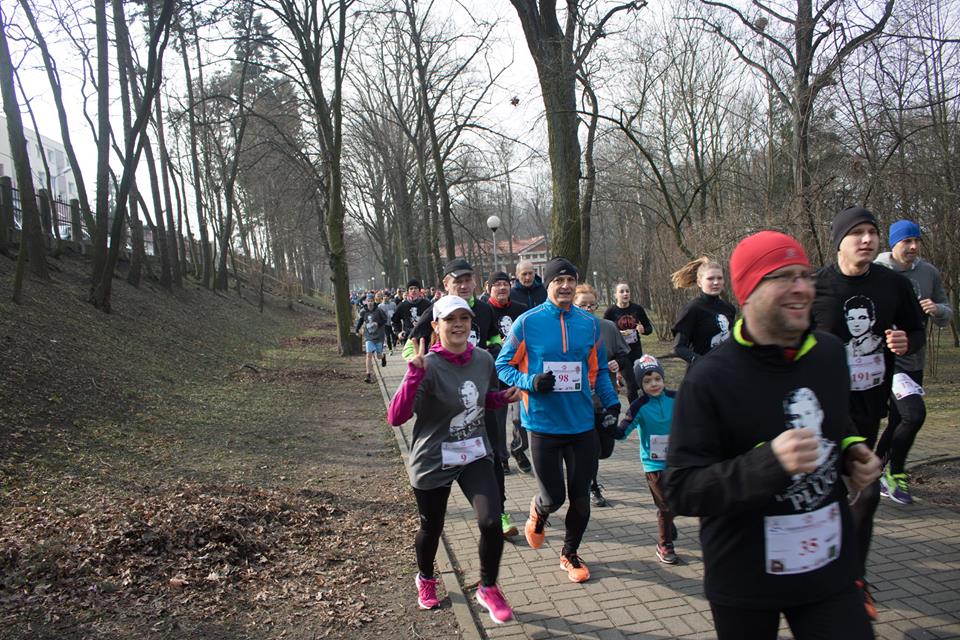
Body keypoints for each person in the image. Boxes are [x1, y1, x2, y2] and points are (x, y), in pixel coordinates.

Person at [664, 230, 881, 640]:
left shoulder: (830, 354)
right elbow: (682, 488)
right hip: (745, 576)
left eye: (806, 276)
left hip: (828, 569)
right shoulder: (709, 378)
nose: (802, 288)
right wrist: (769, 463)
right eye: (784, 277)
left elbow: (838, 422)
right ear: (748, 292)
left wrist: (852, 449)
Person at [811, 206, 925, 618]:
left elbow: (916, 329)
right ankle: (843, 579)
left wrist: (906, 341)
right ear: (838, 241)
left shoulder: (893, 285)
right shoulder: (815, 287)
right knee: (855, 492)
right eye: (857, 233)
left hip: (869, 407)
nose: (867, 239)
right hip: (823, 415)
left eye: (872, 232)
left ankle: (848, 577)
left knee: (858, 495)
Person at [386, 296, 520, 624]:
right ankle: (425, 577)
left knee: (491, 522)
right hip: (433, 458)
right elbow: (396, 417)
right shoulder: (427, 365)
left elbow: (480, 400)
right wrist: (413, 376)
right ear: (436, 325)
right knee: (432, 528)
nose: (458, 325)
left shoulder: (483, 360)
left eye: (464, 318)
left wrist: (500, 397)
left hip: (474, 453)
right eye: (450, 319)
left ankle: (488, 587)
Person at [496, 257, 621, 583]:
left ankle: (570, 553)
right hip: (543, 425)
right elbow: (503, 365)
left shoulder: (589, 324)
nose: (565, 286)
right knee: (554, 497)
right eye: (558, 281)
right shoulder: (527, 322)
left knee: (580, 499)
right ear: (548, 284)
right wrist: (530, 381)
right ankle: (539, 511)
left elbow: (599, 371)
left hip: (581, 424)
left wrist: (612, 404)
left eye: (570, 280)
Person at [405, 259, 516, 538]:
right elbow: (411, 345)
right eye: (458, 281)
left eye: (468, 280)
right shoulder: (435, 311)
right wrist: (419, 369)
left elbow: (493, 339)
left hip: (481, 392)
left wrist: (494, 354)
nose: (464, 286)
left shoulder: (484, 309)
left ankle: (499, 512)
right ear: (446, 284)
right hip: (445, 398)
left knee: (493, 455)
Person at [874, 220, 953, 504]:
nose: (913, 247)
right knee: (914, 415)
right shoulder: (877, 271)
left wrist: (937, 309)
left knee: (899, 420)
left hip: (915, 360)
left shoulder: (928, 272)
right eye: (907, 241)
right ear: (893, 244)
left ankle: (874, 470)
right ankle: (895, 473)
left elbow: (947, 311)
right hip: (888, 361)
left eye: (917, 241)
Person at [610, 355, 678, 563]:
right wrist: (608, 424)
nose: (654, 384)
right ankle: (664, 545)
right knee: (665, 506)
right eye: (647, 381)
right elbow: (622, 433)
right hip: (654, 464)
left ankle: (668, 522)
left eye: (657, 379)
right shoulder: (638, 406)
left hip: (677, 462)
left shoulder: (677, 398)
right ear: (641, 384)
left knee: (677, 502)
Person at [573, 283, 630, 507]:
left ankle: (585, 471)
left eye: (592, 305)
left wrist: (618, 363)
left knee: (605, 450)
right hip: (581, 400)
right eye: (582, 305)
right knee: (591, 447)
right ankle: (591, 485)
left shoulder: (607, 327)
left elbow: (625, 354)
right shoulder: (568, 330)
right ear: (573, 305)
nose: (588, 309)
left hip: (606, 397)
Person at [508, 260, 547, 472]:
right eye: (524, 274)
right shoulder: (512, 295)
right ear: (517, 275)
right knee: (517, 415)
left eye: (530, 273)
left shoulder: (544, 292)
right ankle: (518, 447)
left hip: (542, 354)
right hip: (518, 355)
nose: (527, 277)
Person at [487, 271, 527, 475]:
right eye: (497, 284)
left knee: (520, 418)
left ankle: (518, 449)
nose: (502, 288)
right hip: (494, 372)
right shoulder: (484, 311)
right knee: (498, 419)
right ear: (489, 288)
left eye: (505, 284)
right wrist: (496, 346)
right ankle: (501, 457)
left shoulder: (521, 310)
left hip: (519, 371)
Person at [670, 256, 737, 364]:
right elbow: (678, 348)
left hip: (726, 369)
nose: (716, 282)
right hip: (701, 371)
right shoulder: (693, 308)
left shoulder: (729, 308)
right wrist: (704, 363)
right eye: (710, 279)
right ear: (699, 282)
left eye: (719, 278)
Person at [603, 281, 654, 402]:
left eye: (627, 291)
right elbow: (605, 332)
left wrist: (643, 330)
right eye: (621, 291)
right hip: (620, 353)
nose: (625, 294)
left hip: (635, 351)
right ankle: (634, 410)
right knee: (631, 384)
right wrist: (617, 334)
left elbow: (649, 328)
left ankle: (621, 381)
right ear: (616, 295)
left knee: (639, 381)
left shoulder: (637, 309)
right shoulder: (611, 311)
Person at [355, 293, 388, 383]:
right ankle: (368, 375)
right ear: (366, 302)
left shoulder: (379, 310)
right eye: (368, 301)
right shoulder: (363, 311)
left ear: (374, 301)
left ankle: (383, 357)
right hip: (369, 336)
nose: (370, 303)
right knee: (368, 354)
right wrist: (357, 330)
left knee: (378, 356)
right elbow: (360, 321)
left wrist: (378, 324)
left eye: (371, 301)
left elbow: (385, 319)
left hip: (379, 336)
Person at [393, 279, 432, 347]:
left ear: (419, 290)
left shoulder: (427, 304)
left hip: (424, 338)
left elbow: (433, 318)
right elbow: (394, 320)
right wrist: (398, 332)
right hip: (409, 338)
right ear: (408, 291)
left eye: (415, 288)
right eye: (411, 288)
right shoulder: (402, 305)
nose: (413, 290)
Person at [379, 291, 398, 355]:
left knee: (394, 336)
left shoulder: (393, 304)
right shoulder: (380, 306)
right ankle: (390, 350)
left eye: (387, 296)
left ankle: (394, 345)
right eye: (384, 296)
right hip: (385, 324)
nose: (385, 297)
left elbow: (396, 312)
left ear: (389, 297)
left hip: (393, 323)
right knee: (388, 336)